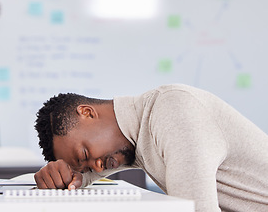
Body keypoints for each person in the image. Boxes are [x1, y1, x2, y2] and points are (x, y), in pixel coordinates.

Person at [34, 84, 268, 211]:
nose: (96, 166)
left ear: (87, 112)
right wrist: (69, 176)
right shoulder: (133, 138)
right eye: (85, 167)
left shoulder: (172, 113)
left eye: (85, 154)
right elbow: (85, 174)